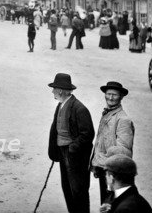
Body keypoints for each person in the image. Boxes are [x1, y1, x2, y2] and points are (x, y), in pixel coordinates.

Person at [48, 73, 95, 213]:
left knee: (78, 190)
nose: (52, 91)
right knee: (67, 188)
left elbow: (88, 134)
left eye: (54, 89)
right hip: (63, 153)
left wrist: (72, 148)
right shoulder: (61, 105)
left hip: (75, 156)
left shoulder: (79, 109)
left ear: (60, 90)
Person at [90, 81, 134, 204]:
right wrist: (95, 165)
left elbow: (124, 151)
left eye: (114, 95)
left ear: (121, 97)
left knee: (111, 205)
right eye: (108, 94)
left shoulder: (123, 119)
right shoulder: (107, 114)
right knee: (105, 204)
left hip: (113, 173)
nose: (110, 97)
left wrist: (111, 172)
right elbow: (99, 142)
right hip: (103, 168)